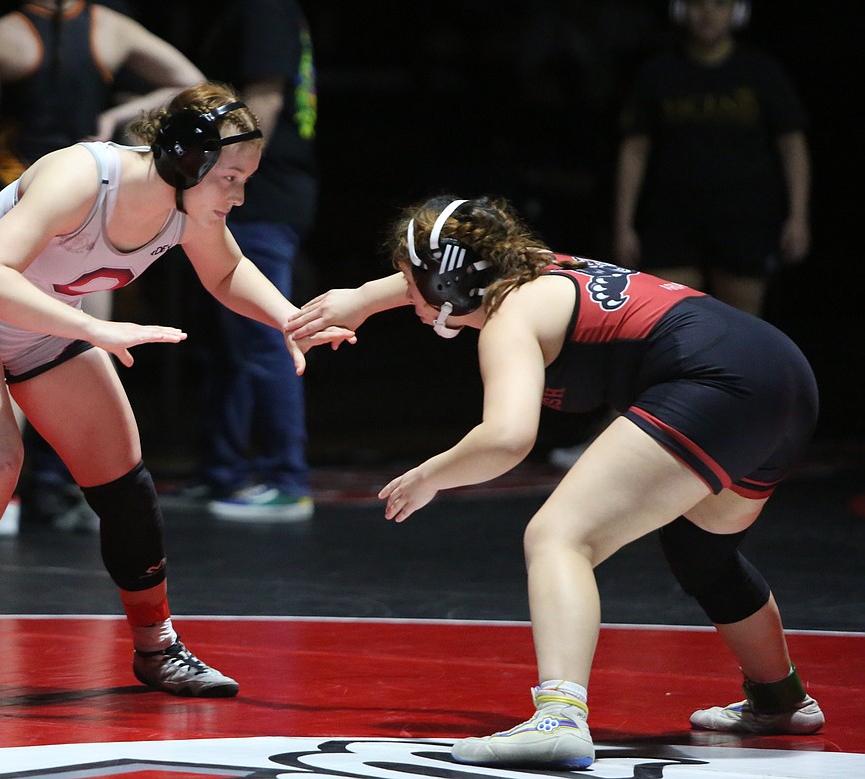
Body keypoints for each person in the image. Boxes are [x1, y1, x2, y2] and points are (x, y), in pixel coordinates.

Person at [287, 194, 823, 770]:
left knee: (558, 537)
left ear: (446, 284)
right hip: (781, 377)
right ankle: (779, 697)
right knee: (701, 549)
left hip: (720, 384)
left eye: (406, 276)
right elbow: (454, 266)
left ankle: (559, 717)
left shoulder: (509, 321)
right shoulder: (528, 266)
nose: (404, 288)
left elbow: (507, 439)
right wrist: (363, 300)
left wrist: (429, 476)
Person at [0, 81, 353, 714]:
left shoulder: (187, 208)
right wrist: (93, 328)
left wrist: (290, 319)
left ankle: (157, 647)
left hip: (44, 324)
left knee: (125, 483)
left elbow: (225, 271)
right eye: (231, 177)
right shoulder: (81, 176)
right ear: (187, 161)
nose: (241, 195)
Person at [0, 0, 208, 532]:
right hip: (96, 216)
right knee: (79, 355)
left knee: (6, 359)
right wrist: (125, 117)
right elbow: (194, 85)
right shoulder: (111, 29)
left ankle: (5, 497)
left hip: (27, 213)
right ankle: (69, 488)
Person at [172, 0, 319, 522]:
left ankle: (286, 478)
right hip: (252, 196)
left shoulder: (264, 8)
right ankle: (223, 471)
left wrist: (229, 181)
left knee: (264, 334)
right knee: (226, 342)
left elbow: (266, 99)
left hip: (262, 198)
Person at [614, 0, 810, 317]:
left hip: (744, 217)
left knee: (741, 326)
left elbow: (792, 146)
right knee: (669, 324)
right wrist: (624, 225)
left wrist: (798, 216)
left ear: (738, 12)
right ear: (680, 10)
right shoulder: (658, 73)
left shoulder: (761, 71)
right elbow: (635, 150)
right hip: (672, 217)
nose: (708, 12)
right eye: (697, 4)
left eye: (720, 4)